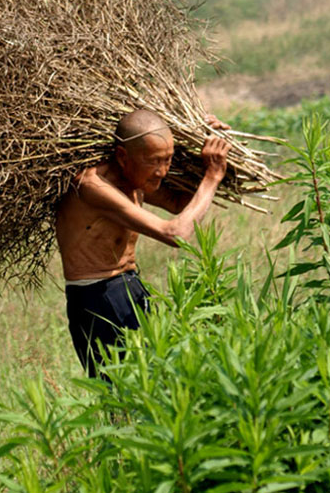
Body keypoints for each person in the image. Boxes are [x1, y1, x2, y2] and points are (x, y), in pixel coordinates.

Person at [55, 108, 231, 377]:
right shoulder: (93, 186)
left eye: (168, 160)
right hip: (98, 298)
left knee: (155, 384)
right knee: (122, 395)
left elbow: (177, 202)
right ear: (123, 157)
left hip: (129, 287)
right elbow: (175, 234)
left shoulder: (133, 179)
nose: (162, 171)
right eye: (153, 162)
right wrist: (212, 176)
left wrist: (208, 145)